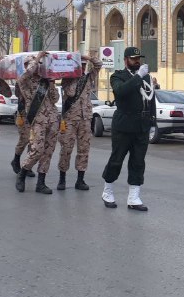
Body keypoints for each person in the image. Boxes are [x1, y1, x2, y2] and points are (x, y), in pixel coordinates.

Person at [100, 46, 156, 211]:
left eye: (139, 59)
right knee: (117, 160)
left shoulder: (146, 77)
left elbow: (150, 99)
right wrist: (138, 77)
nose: (137, 62)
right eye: (133, 59)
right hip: (124, 125)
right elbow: (121, 91)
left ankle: (134, 197)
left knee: (138, 162)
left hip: (141, 126)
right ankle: (107, 191)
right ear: (126, 60)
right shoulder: (118, 76)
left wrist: (152, 121)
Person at [15, 51, 61, 194]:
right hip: (37, 120)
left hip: (52, 119)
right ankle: (22, 174)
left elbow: (54, 99)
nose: (36, 68)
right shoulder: (24, 81)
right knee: (37, 149)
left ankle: (41, 183)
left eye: (38, 65)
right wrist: (38, 57)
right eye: (33, 65)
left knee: (48, 151)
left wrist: (52, 83)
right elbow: (26, 75)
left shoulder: (45, 80)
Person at [57, 55, 103, 191]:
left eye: (83, 65)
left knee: (84, 149)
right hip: (70, 119)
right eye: (79, 65)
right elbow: (70, 93)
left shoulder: (88, 78)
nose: (82, 68)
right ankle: (62, 178)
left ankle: (80, 179)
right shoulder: (67, 79)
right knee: (66, 149)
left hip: (85, 118)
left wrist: (88, 57)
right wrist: (74, 76)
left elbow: (99, 64)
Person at [10, 76, 34, 179]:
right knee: (24, 139)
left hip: (35, 113)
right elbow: (17, 93)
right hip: (23, 113)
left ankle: (28, 165)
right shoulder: (22, 78)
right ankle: (16, 160)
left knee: (33, 141)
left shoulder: (40, 78)